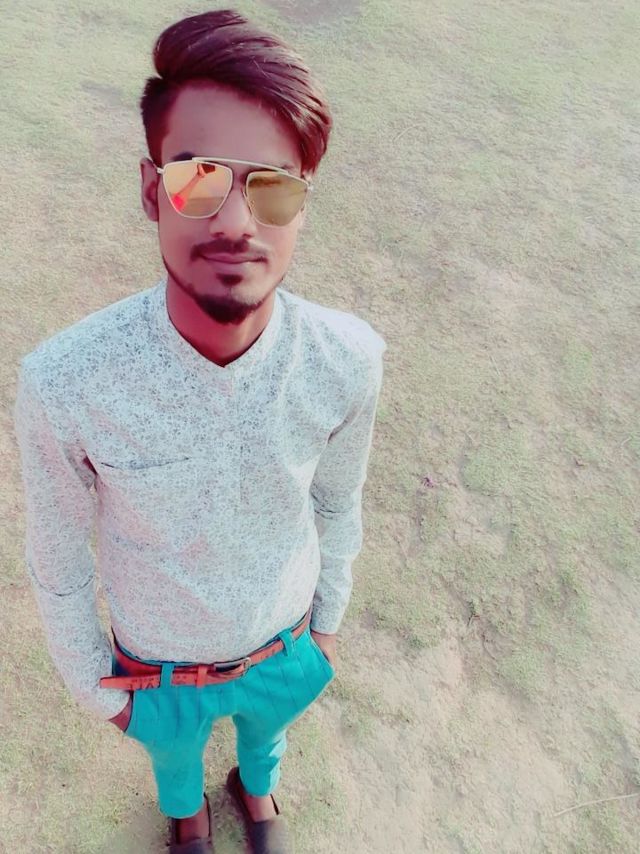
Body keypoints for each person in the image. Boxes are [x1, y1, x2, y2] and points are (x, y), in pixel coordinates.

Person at [13, 9, 386, 854]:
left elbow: (338, 502)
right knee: (175, 768)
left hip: (287, 643)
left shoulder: (349, 358)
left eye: (274, 186)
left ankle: (256, 792)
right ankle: (185, 815)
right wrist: (97, 691)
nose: (237, 222)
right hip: (157, 672)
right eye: (199, 178)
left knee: (266, 745)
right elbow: (58, 558)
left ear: (302, 204)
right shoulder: (65, 382)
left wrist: (325, 634)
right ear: (152, 190)